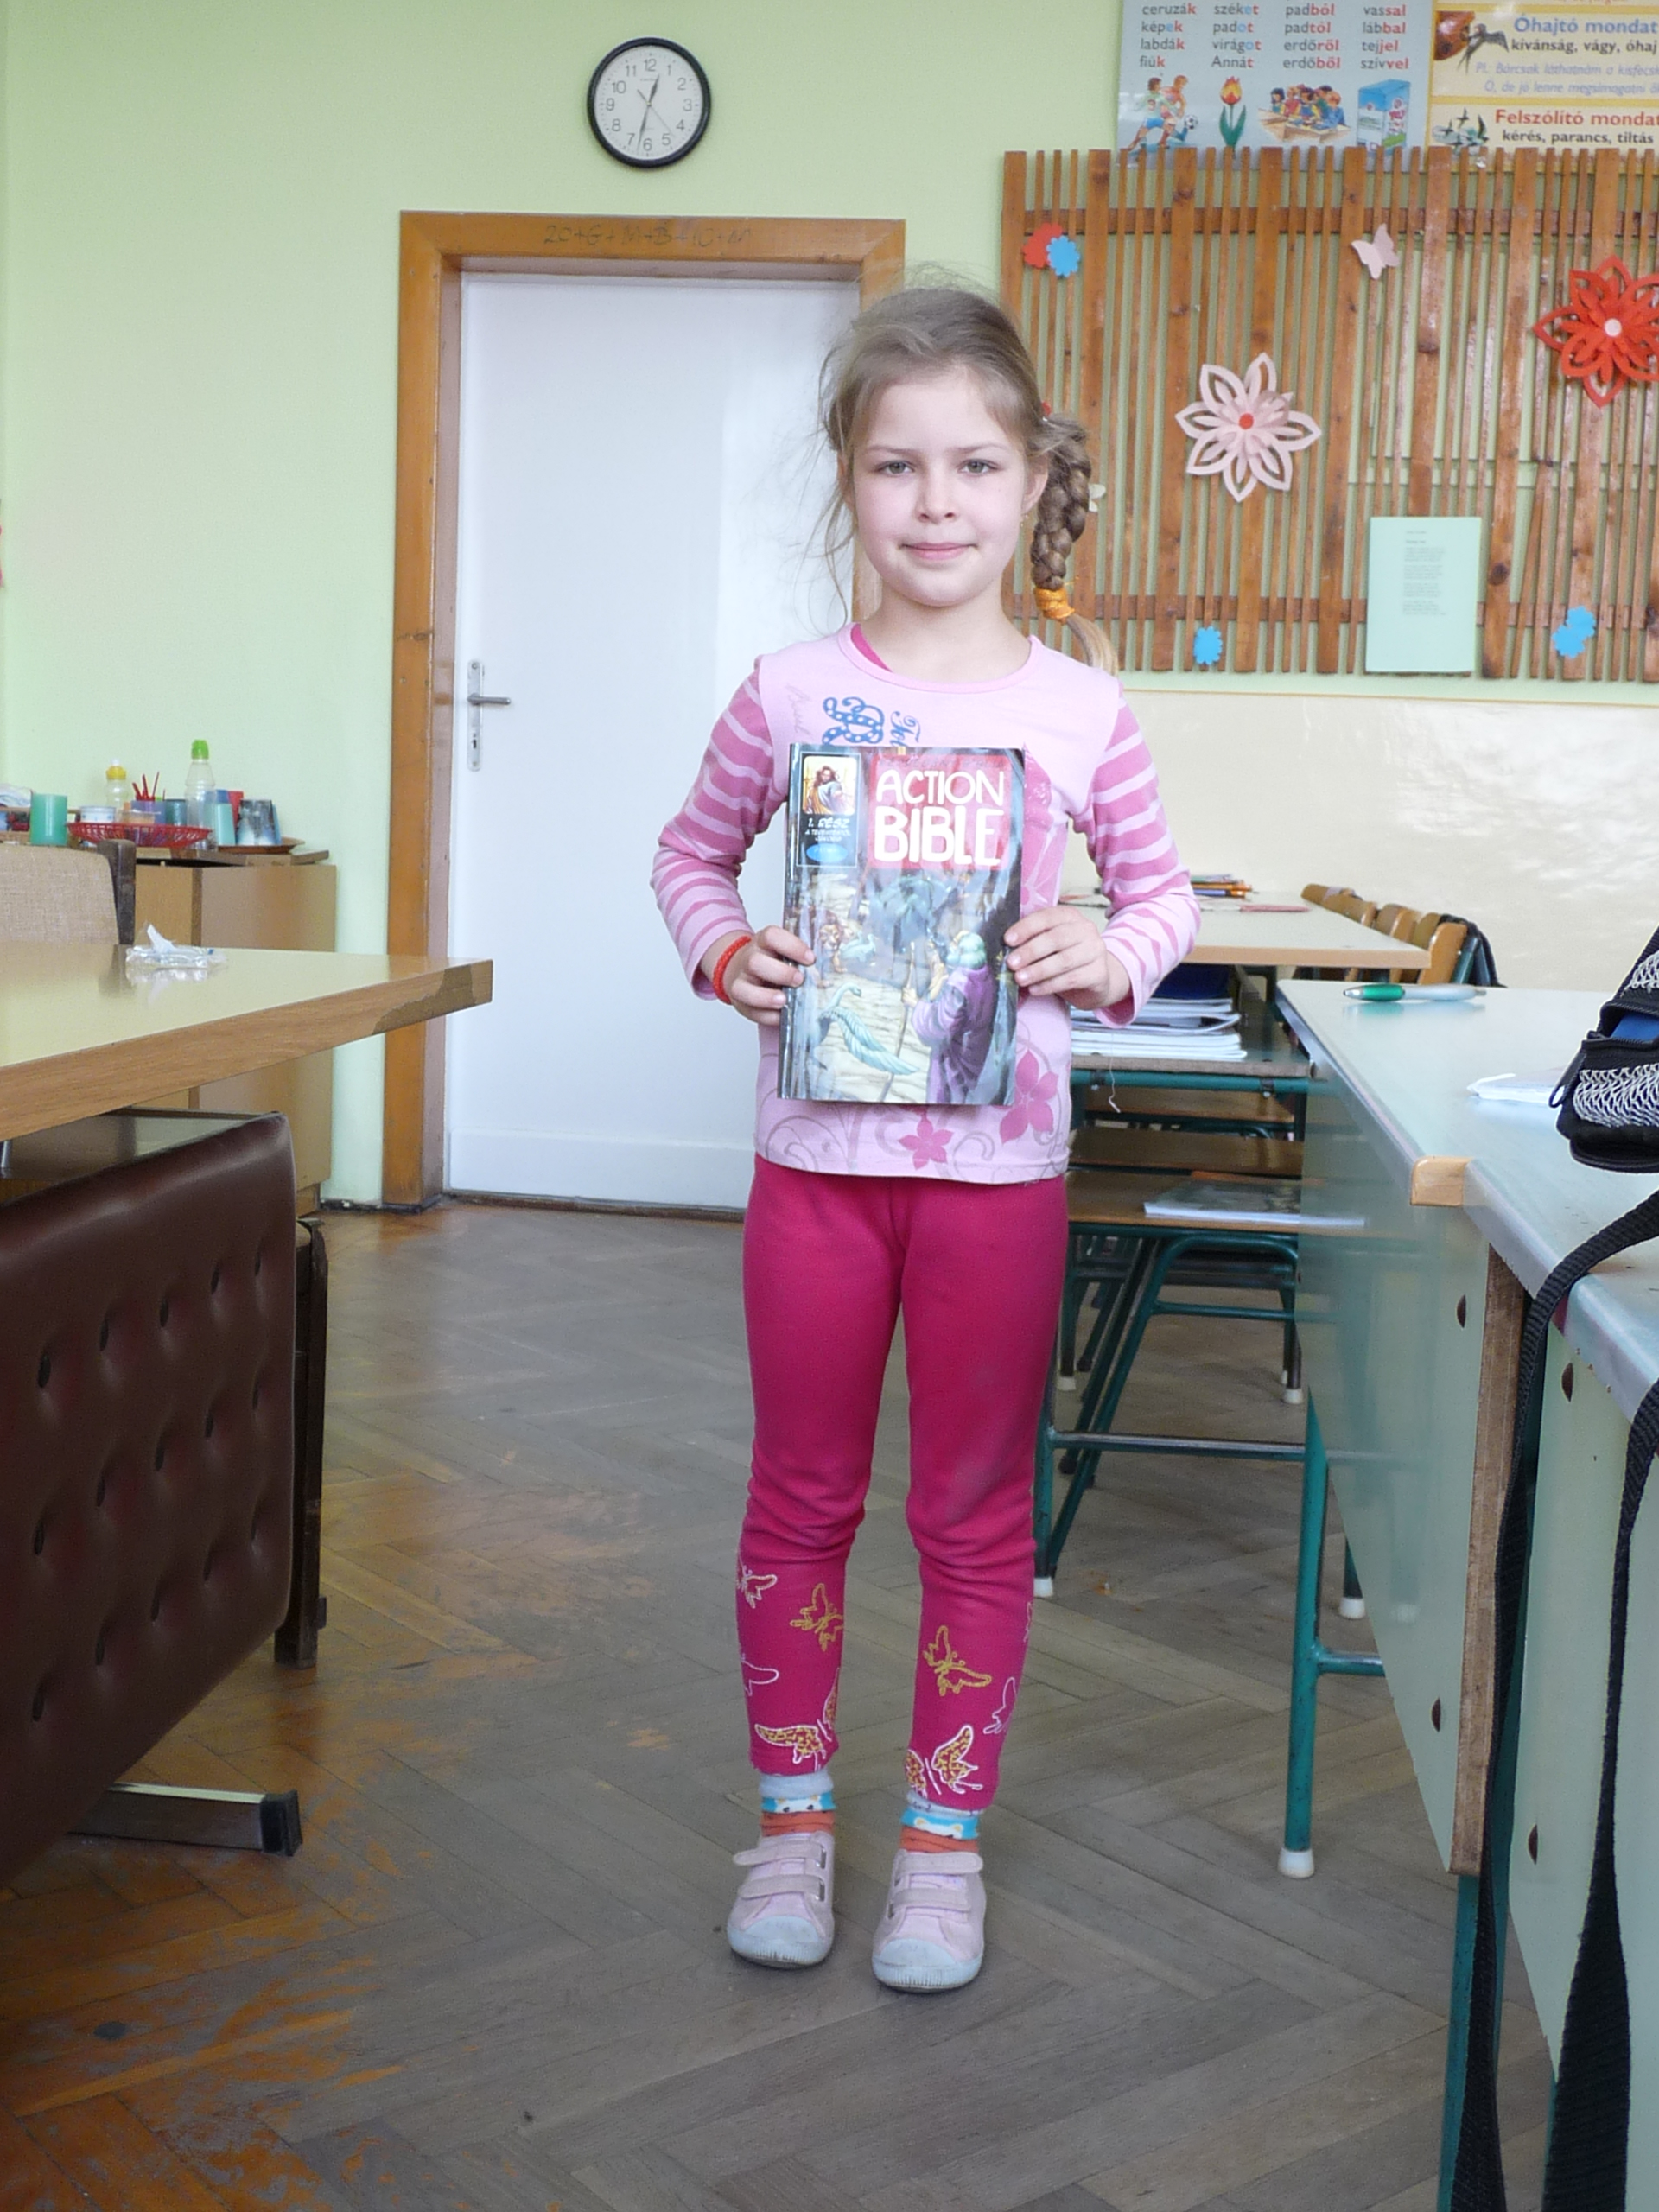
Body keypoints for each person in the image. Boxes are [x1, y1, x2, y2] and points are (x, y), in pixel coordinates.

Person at [652, 285, 1198, 1993]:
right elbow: (688, 857)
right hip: (815, 1173)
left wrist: (1107, 949)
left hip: (999, 1180)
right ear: (849, 479)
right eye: (897, 466)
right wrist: (727, 953)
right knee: (800, 1499)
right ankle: (793, 1829)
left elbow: (1164, 898)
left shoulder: (1083, 710)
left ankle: (943, 1850)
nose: (937, 501)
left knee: (970, 1514)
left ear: (1033, 480)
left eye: (974, 464)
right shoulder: (789, 693)